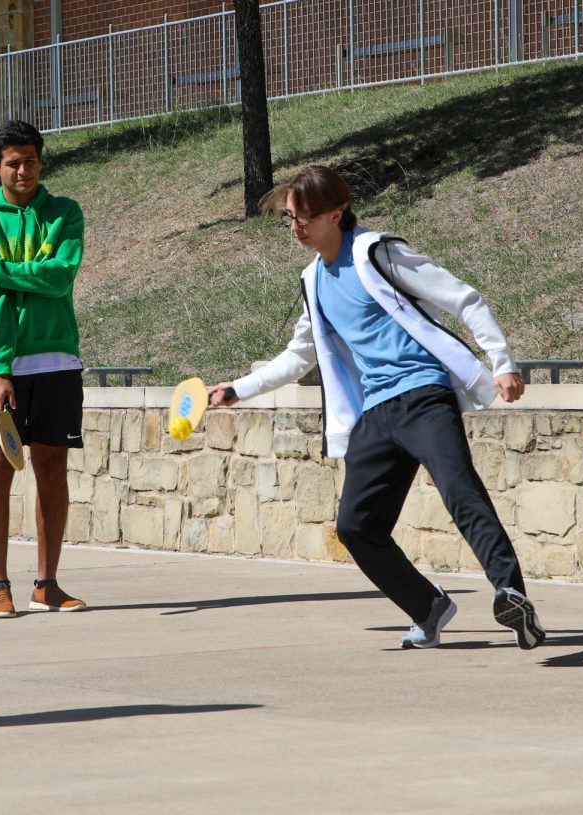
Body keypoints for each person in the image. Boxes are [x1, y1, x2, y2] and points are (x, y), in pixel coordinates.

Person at [209, 165, 545, 650]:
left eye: (304, 217)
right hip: (377, 412)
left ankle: (511, 593)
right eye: (290, 217)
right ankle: (428, 607)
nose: (295, 227)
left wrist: (502, 361)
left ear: (337, 214)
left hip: (423, 396)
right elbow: (299, 355)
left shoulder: (378, 252)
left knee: (459, 490)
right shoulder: (314, 280)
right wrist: (238, 388)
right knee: (356, 526)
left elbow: (465, 300)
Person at [0, 120, 88, 619]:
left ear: (40, 161)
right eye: (12, 161)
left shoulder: (65, 214)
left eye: (30, 160)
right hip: (0, 367)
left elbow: (60, 279)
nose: (22, 169)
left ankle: (47, 585)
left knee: (53, 472)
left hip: (58, 361)